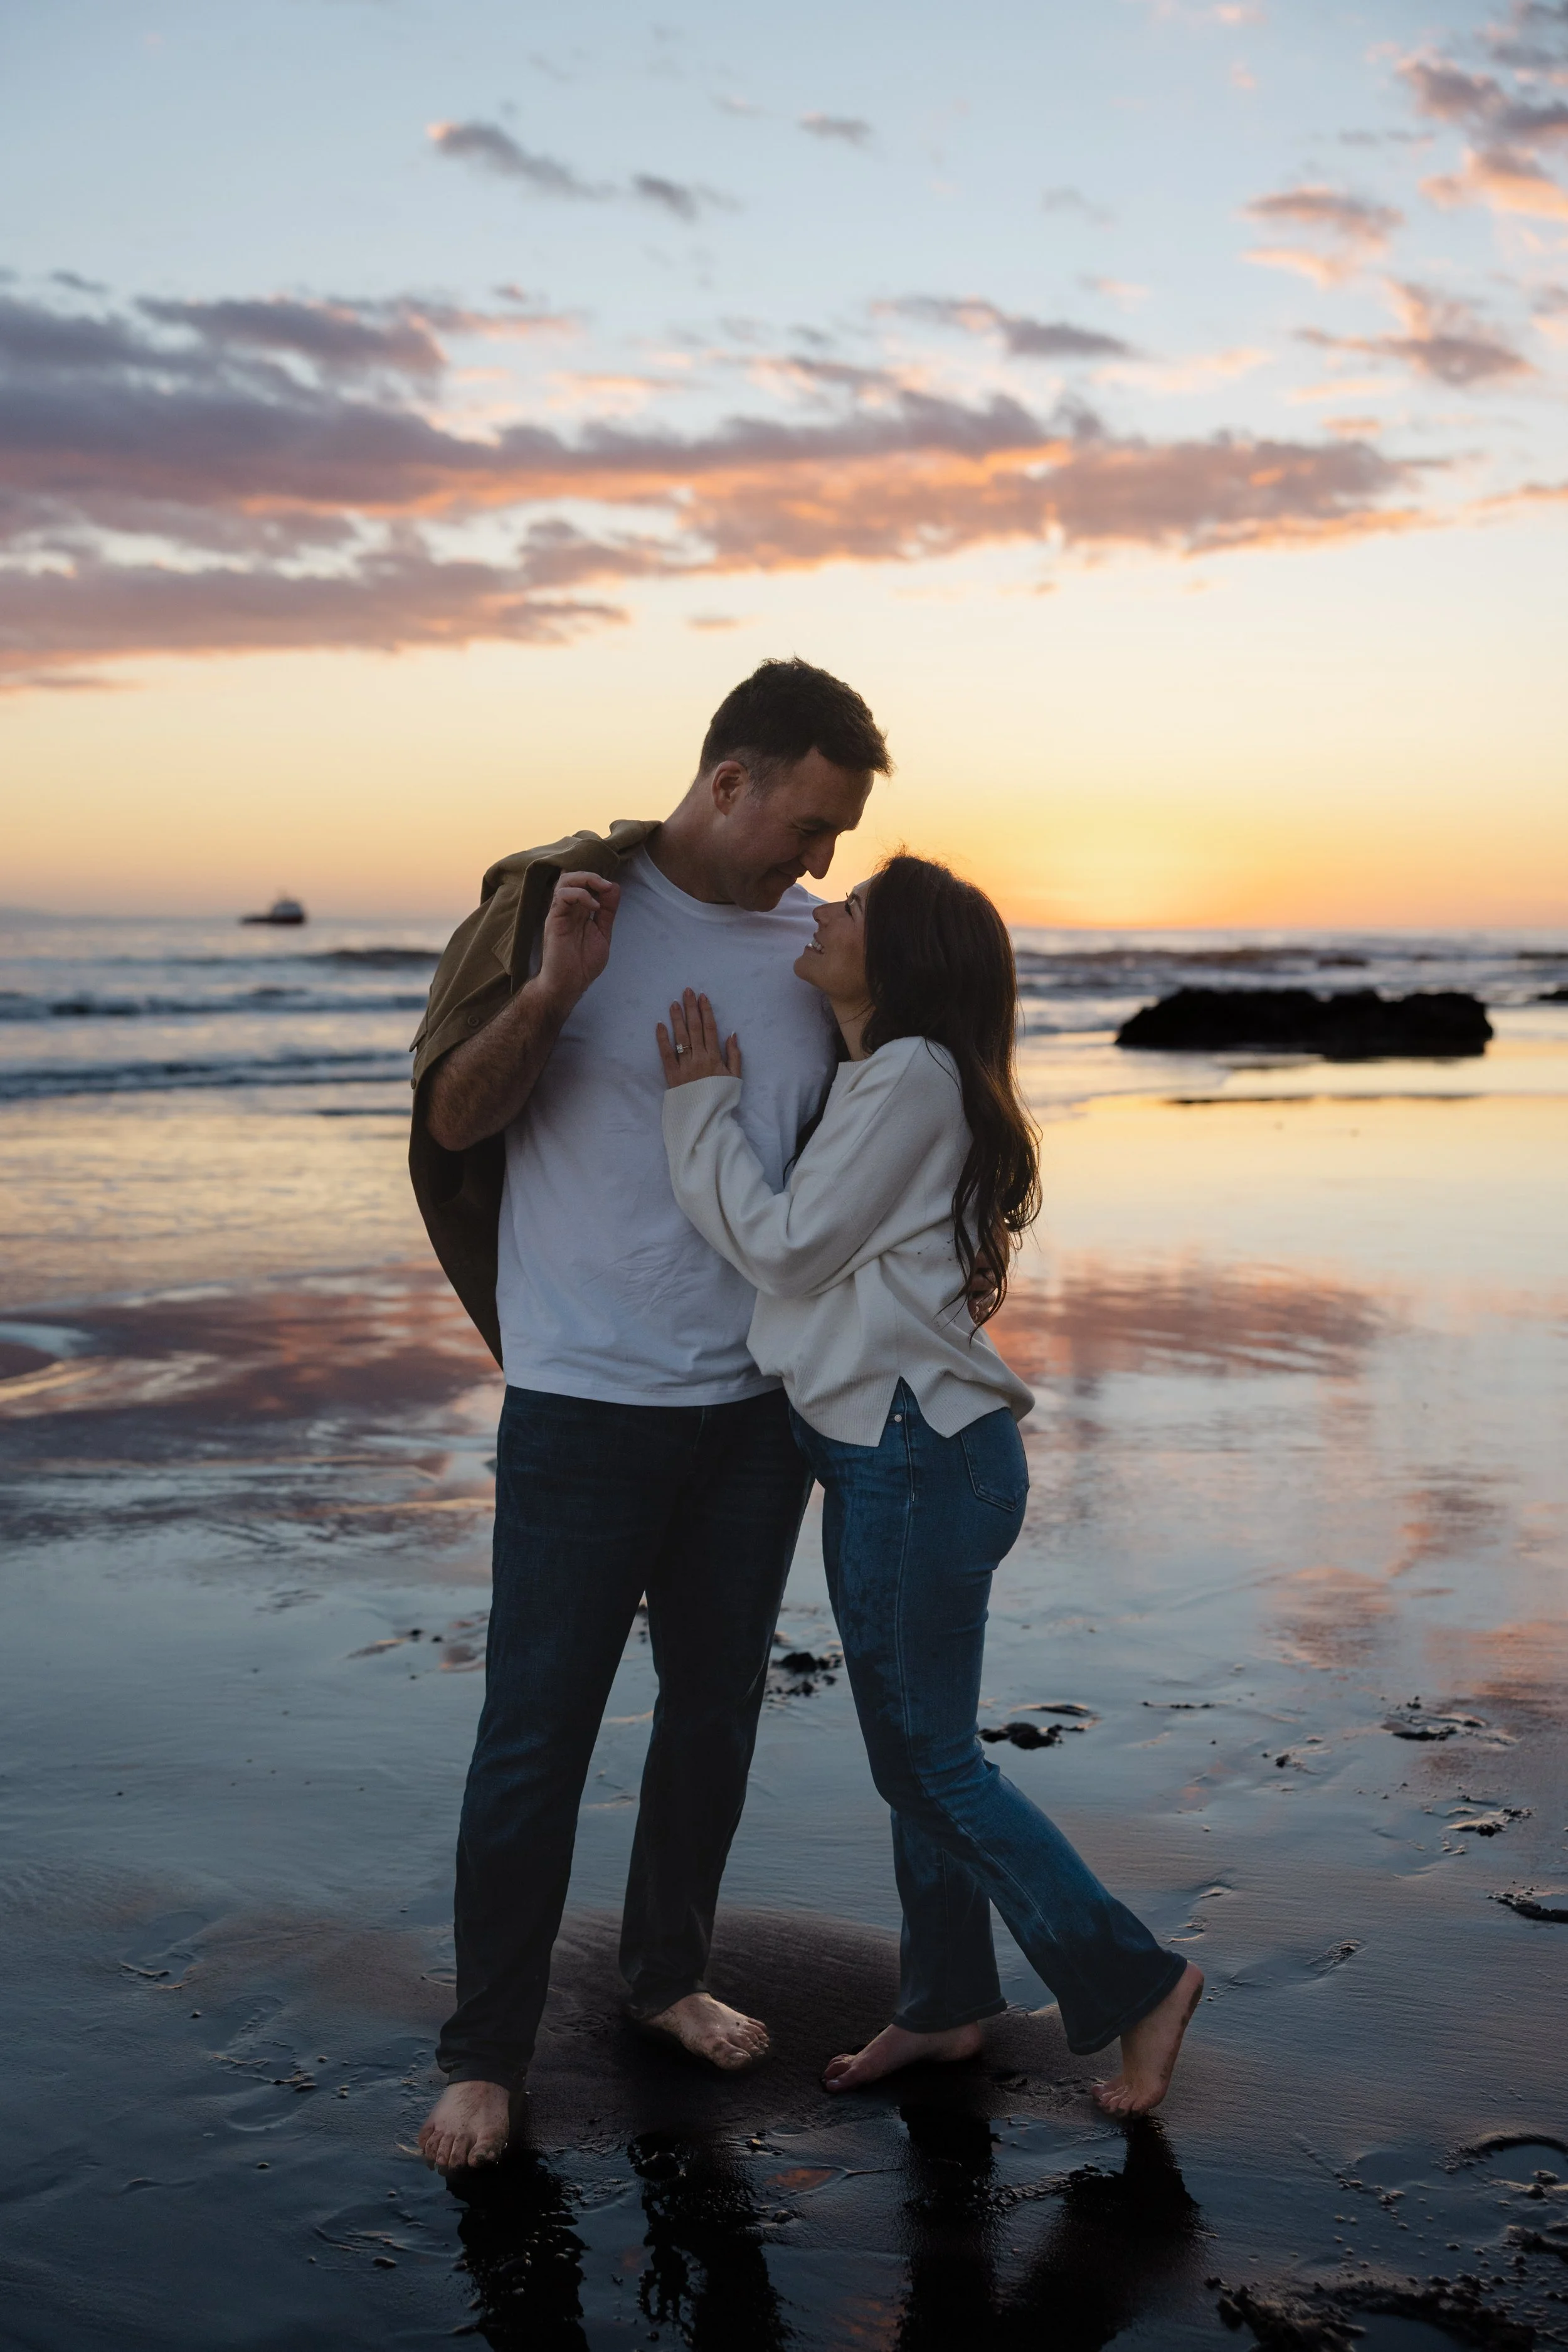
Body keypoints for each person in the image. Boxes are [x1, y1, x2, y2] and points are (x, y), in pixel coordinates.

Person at [410, 659, 893, 2173]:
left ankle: (664, 1973)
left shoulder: (821, 951)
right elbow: (453, 1117)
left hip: (754, 1410)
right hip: (581, 1402)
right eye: (805, 823)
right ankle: (484, 2054)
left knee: (712, 1714)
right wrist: (556, 994)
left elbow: (854, 1149)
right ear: (726, 777)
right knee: (534, 1736)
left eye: (841, 837)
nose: (817, 861)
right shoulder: (565, 907)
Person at [657, 854, 1203, 2116]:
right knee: (923, 1755)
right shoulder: (891, 1077)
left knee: (926, 1767)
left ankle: (1135, 1982)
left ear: (898, 959)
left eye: (849, 911)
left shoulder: (905, 1075)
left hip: (912, 1456)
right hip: (903, 1454)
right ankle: (946, 2002)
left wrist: (697, 1107)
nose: (821, 910)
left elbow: (787, 1249)